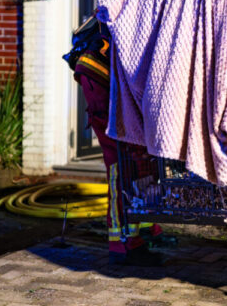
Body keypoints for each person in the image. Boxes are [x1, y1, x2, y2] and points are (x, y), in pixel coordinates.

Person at [69, 17, 170, 267]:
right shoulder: (101, 55)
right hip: (106, 101)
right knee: (120, 170)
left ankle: (145, 229)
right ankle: (122, 243)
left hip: (114, 97)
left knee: (141, 165)